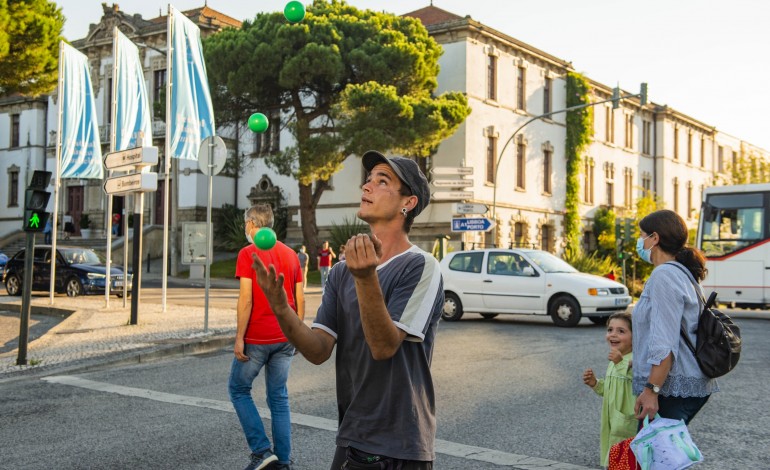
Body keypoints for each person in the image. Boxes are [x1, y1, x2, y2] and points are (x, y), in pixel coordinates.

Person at [251, 150, 443, 469]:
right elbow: (317, 350)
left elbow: (383, 346)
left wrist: (365, 276)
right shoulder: (342, 271)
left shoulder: (421, 266)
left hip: (401, 444)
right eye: (367, 180)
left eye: (382, 181)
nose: (366, 187)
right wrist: (281, 307)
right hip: (352, 436)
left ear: (407, 203)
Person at [229, 204, 305, 470]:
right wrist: (298, 334)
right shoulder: (291, 254)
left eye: (245, 223)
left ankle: (262, 451)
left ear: (252, 223)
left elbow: (246, 299)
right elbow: (299, 298)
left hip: (257, 339)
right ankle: (283, 461)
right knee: (279, 398)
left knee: (238, 389)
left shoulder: (248, 253)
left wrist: (239, 337)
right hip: (285, 338)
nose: (245, 228)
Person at [633, 209, 717, 425]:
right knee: (666, 454)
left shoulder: (664, 275)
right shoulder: (683, 272)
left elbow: (664, 342)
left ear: (655, 238)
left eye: (642, 236)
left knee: (654, 455)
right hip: (685, 382)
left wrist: (651, 390)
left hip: (670, 388)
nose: (640, 242)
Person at [582, 312, 637, 468]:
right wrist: (595, 384)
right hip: (614, 422)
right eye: (610, 330)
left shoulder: (635, 359)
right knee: (616, 461)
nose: (613, 335)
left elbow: (638, 379)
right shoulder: (616, 358)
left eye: (621, 331)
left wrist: (620, 363)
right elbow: (611, 389)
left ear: (636, 336)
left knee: (627, 461)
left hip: (627, 424)